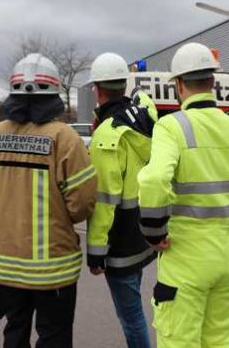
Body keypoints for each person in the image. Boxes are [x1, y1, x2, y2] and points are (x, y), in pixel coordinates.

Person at [137, 42, 229, 348]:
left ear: (179, 85)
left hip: (187, 258)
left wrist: (153, 233)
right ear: (212, 81)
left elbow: (155, 179)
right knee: (220, 340)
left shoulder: (171, 127)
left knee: (180, 341)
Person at [0, 53, 97, 348]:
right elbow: (83, 202)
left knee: (14, 334)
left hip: (7, 267)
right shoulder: (65, 138)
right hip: (53, 269)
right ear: (54, 94)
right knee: (54, 336)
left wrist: (7, 205)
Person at [86, 52, 157, 348]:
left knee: (131, 316)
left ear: (97, 90)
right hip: (143, 234)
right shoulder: (142, 116)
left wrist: (95, 251)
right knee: (135, 307)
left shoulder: (107, 135)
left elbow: (104, 201)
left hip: (120, 243)